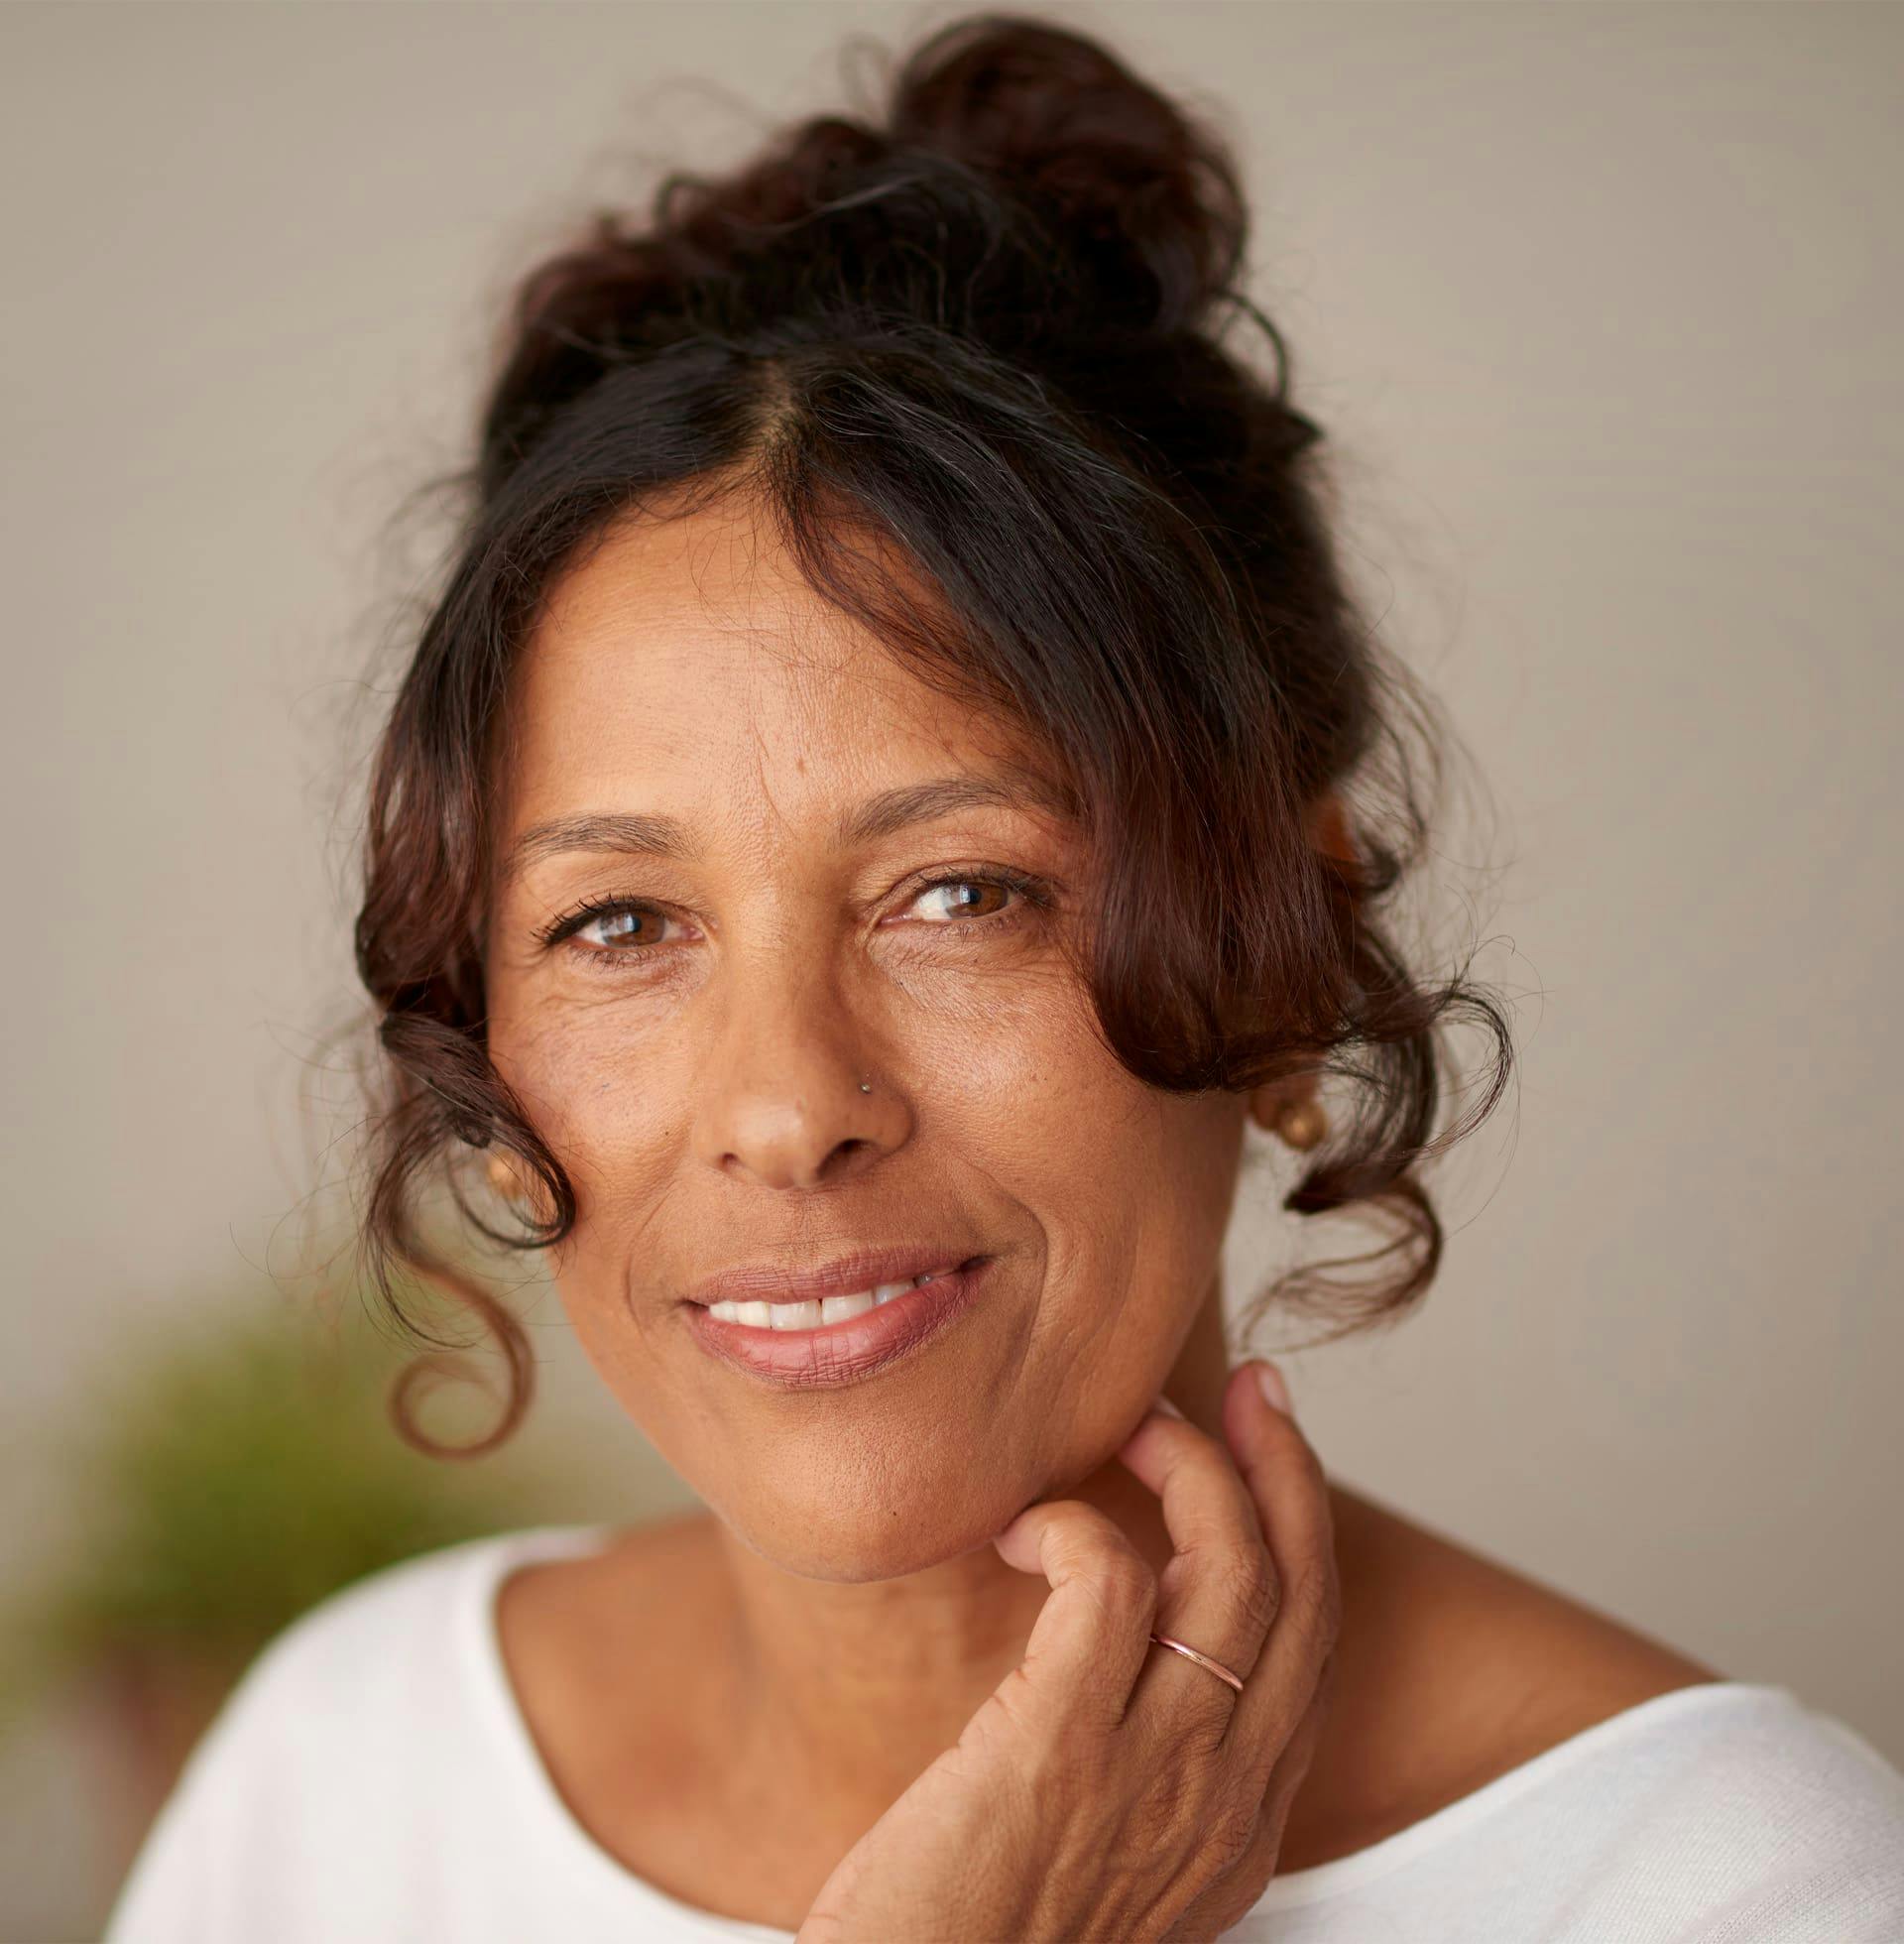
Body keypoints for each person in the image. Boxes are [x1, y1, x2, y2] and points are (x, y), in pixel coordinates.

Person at [106, 11, 1904, 1940]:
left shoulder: (1730, 1881)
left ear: (1290, 958)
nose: (790, 1106)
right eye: (619, 923)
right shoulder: (347, 1771)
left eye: (961, 892)